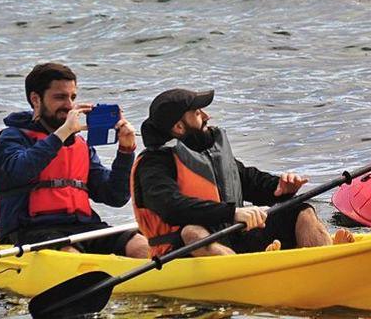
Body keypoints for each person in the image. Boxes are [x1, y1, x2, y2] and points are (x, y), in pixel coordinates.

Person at [131, 88, 353, 257]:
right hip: (179, 250)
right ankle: (256, 271)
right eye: (198, 113)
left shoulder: (206, 152)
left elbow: (246, 180)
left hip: (232, 236)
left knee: (300, 209)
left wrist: (280, 188)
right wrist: (232, 213)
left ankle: (325, 257)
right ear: (179, 127)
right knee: (192, 232)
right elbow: (171, 207)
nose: (206, 116)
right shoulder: (153, 165)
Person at [0, 63, 149, 257]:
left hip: (82, 227)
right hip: (29, 231)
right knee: (70, 256)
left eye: (72, 97)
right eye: (60, 97)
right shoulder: (11, 138)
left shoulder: (80, 145)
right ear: (35, 99)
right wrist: (62, 133)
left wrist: (125, 150)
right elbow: (19, 171)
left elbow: (115, 196)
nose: (69, 105)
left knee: (141, 246)